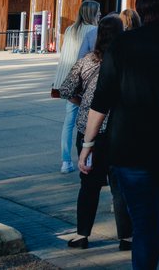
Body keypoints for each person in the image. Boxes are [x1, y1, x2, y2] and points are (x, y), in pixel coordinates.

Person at [80, 0, 159, 270]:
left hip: (129, 144)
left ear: (139, 7)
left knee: (145, 217)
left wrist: (87, 144)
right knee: (152, 213)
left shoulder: (122, 45)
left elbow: (102, 99)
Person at [60, 14, 132, 251]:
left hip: (88, 131)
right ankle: (127, 236)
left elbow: (65, 89)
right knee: (119, 185)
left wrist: (82, 102)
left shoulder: (86, 61)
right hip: (118, 131)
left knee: (88, 185)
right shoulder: (126, 62)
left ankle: (82, 234)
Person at [54, 0, 100, 173]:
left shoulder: (70, 29)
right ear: (92, 14)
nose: (100, 15)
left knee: (69, 122)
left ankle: (65, 161)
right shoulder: (93, 31)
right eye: (98, 12)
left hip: (69, 81)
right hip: (85, 82)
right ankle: (87, 158)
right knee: (88, 123)